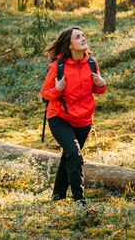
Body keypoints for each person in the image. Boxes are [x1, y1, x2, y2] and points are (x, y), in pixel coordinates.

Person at [41, 27, 106, 205]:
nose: (83, 38)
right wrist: (58, 89)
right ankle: (80, 201)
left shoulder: (92, 63)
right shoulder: (57, 66)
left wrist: (102, 83)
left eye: (83, 35)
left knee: (69, 156)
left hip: (84, 120)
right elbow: (45, 93)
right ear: (69, 45)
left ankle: (57, 197)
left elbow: (98, 89)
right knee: (75, 156)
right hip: (59, 117)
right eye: (78, 37)